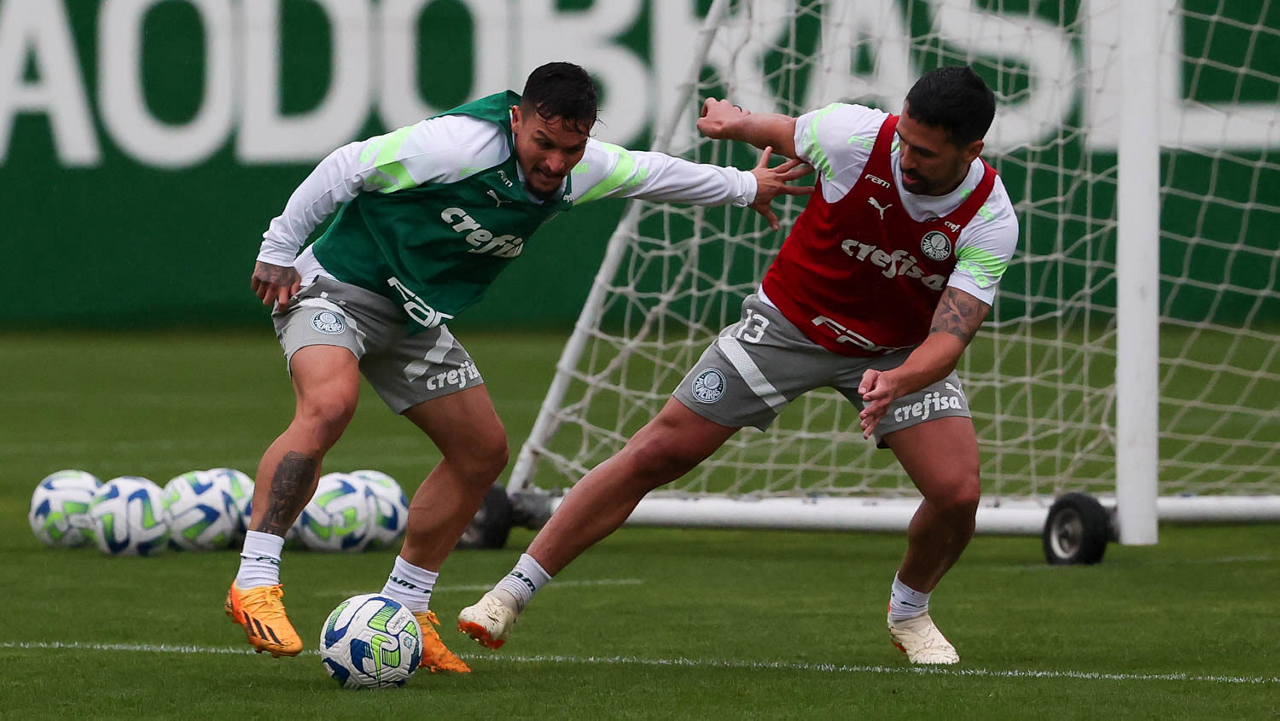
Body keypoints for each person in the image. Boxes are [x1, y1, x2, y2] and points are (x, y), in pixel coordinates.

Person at [225, 61, 812, 670]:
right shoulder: (458, 145)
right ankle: (256, 579)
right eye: (543, 143)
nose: (556, 163)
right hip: (333, 290)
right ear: (517, 119)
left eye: (572, 149)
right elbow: (348, 166)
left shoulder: (582, 168)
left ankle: (406, 608)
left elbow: (652, 172)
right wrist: (278, 249)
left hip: (412, 318)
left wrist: (745, 187)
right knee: (330, 405)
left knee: (481, 452)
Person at [458, 66, 1019, 666]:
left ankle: (909, 610)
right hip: (788, 326)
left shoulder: (989, 218)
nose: (905, 157)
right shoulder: (854, 136)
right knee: (657, 451)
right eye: (903, 138)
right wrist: (733, 123)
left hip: (897, 353)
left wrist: (898, 380)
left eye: (924, 152)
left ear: (971, 151)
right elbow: (779, 130)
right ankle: (510, 593)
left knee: (957, 493)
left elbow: (949, 339)